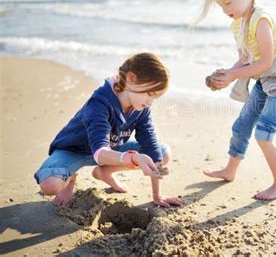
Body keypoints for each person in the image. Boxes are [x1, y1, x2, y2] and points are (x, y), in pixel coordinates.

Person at [193, 0, 276, 200]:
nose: (224, 9)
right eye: (221, 5)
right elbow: (245, 58)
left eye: (228, 3)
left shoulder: (262, 20)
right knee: (242, 125)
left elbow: (265, 62)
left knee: (264, 134)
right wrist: (226, 74)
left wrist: (234, 76)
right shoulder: (239, 23)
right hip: (264, 83)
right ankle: (230, 170)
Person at [34, 52, 184, 207]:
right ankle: (70, 177)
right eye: (150, 94)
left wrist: (157, 195)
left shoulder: (141, 107)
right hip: (74, 151)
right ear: (131, 78)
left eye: (155, 98)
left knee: (163, 153)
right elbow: (100, 152)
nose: (150, 102)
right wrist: (132, 157)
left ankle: (104, 172)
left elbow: (151, 146)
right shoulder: (99, 103)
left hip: (113, 150)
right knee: (50, 185)